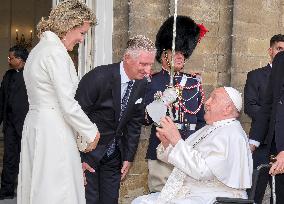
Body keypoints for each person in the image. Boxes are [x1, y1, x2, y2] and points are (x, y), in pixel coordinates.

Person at [17, 1, 100, 204]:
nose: (81, 39)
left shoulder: (39, 50)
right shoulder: (55, 53)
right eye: (81, 32)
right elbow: (68, 103)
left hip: (37, 125)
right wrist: (91, 132)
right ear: (68, 25)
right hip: (53, 130)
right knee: (57, 188)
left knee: (40, 184)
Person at [132, 87, 253, 204]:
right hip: (195, 192)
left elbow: (203, 171)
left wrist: (176, 140)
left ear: (227, 109)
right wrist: (168, 144)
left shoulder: (232, 134)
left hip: (213, 196)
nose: (207, 102)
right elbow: (186, 160)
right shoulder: (209, 128)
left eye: (213, 98)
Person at [75, 35, 156, 204]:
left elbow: (134, 123)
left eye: (150, 64)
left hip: (114, 157)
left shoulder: (141, 84)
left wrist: (128, 157)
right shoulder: (97, 77)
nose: (148, 71)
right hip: (88, 156)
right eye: (143, 64)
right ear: (127, 58)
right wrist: (77, 159)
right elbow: (75, 118)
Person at [145, 15, 206, 193]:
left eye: (183, 53)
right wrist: (162, 101)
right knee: (161, 195)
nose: (181, 56)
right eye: (176, 52)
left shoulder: (193, 82)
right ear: (164, 54)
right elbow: (146, 118)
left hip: (188, 150)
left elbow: (201, 120)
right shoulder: (151, 82)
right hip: (161, 149)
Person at [244, 34, 284, 203]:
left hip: (281, 146)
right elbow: (266, 107)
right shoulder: (263, 73)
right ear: (270, 51)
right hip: (263, 145)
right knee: (253, 193)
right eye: (279, 48)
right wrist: (252, 143)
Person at [0, 45, 29, 200]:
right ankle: (6, 191)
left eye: (11, 58)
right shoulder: (8, 75)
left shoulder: (32, 75)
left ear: (20, 59)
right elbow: (2, 99)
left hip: (26, 124)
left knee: (27, 159)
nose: (9, 60)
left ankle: (28, 191)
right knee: (9, 158)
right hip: (10, 125)